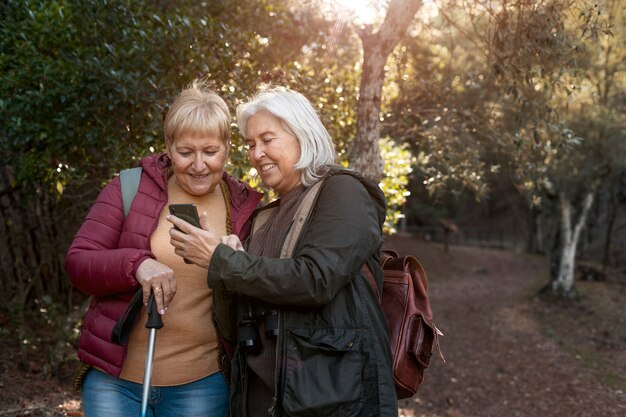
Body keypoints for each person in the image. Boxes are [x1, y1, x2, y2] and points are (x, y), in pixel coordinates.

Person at [168, 86, 398, 416]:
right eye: (250, 144)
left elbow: (316, 279)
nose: (256, 153)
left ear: (301, 134)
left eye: (267, 139)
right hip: (264, 398)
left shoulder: (343, 191)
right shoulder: (264, 216)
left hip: (333, 400)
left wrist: (223, 261)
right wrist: (224, 264)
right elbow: (232, 325)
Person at [65, 82, 263, 417]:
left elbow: (264, 289)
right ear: (168, 147)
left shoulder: (246, 208)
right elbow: (79, 262)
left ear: (228, 148)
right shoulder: (128, 187)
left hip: (201, 385)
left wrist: (237, 263)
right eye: (186, 152)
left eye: (210, 152)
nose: (199, 165)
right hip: (115, 383)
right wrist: (138, 265)